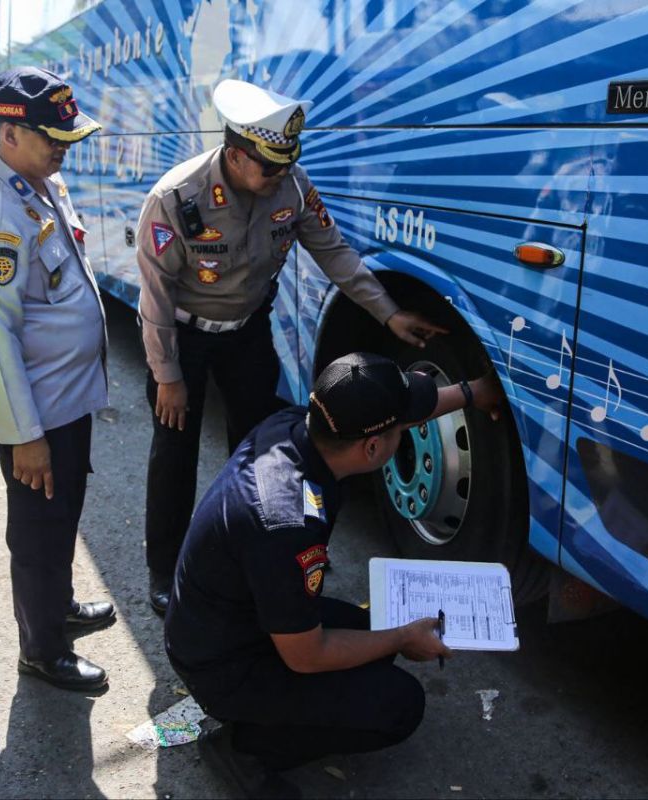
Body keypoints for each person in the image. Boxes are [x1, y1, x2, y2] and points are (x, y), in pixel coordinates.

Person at [136, 79, 447, 616]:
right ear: (235, 155)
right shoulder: (176, 198)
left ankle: (261, 556)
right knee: (175, 454)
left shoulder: (293, 187)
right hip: (184, 338)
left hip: (247, 332)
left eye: (286, 164)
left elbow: (336, 254)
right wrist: (167, 376)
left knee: (260, 451)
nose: (280, 175)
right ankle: (166, 571)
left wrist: (389, 313)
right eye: (269, 166)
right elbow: (156, 297)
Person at [165, 352, 504, 798]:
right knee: (400, 705)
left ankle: (272, 714)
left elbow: (405, 406)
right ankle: (246, 747)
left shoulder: (296, 425)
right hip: (223, 661)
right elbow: (307, 655)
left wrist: (473, 392)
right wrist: (404, 638)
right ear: (373, 448)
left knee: (372, 641)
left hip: (233, 614)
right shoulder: (285, 524)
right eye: (400, 430)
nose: (405, 432)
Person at [0, 67, 113, 693]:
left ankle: (59, 607)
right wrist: (25, 437)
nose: (63, 148)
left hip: (63, 402)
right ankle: (42, 650)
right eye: (52, 137)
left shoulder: (39, 182)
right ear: (9, 132)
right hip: (34, 417)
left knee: (62, 516)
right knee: (38, 534)